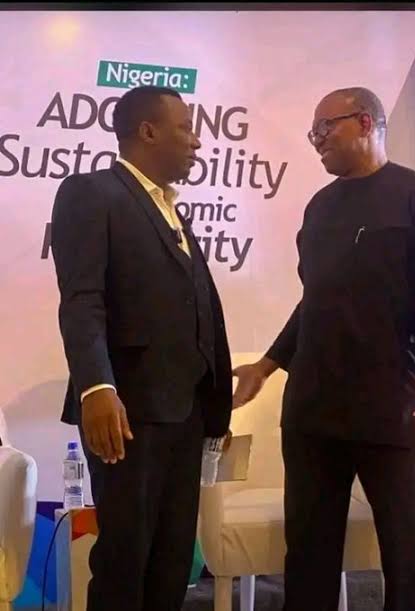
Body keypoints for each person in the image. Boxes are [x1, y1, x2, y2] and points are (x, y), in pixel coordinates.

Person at [232, 87, 415, 611]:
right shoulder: (320, 207)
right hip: (312, 407)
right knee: (309, 548)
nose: (317, 141)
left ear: (365, 122)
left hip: (388, 403)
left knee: (403, 546)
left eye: (325, 128)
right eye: (313, 133)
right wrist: (268, 364)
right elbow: (316, 300)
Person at [51, 85, 233, 611]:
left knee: (172, 562)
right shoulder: (92, 192)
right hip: (128, 413)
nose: (196, 141)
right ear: (148, 132)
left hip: (185, 412)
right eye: (186, 128)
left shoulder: (169, 208)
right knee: (125, 561)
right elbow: (82, 299)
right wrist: (96, 387)